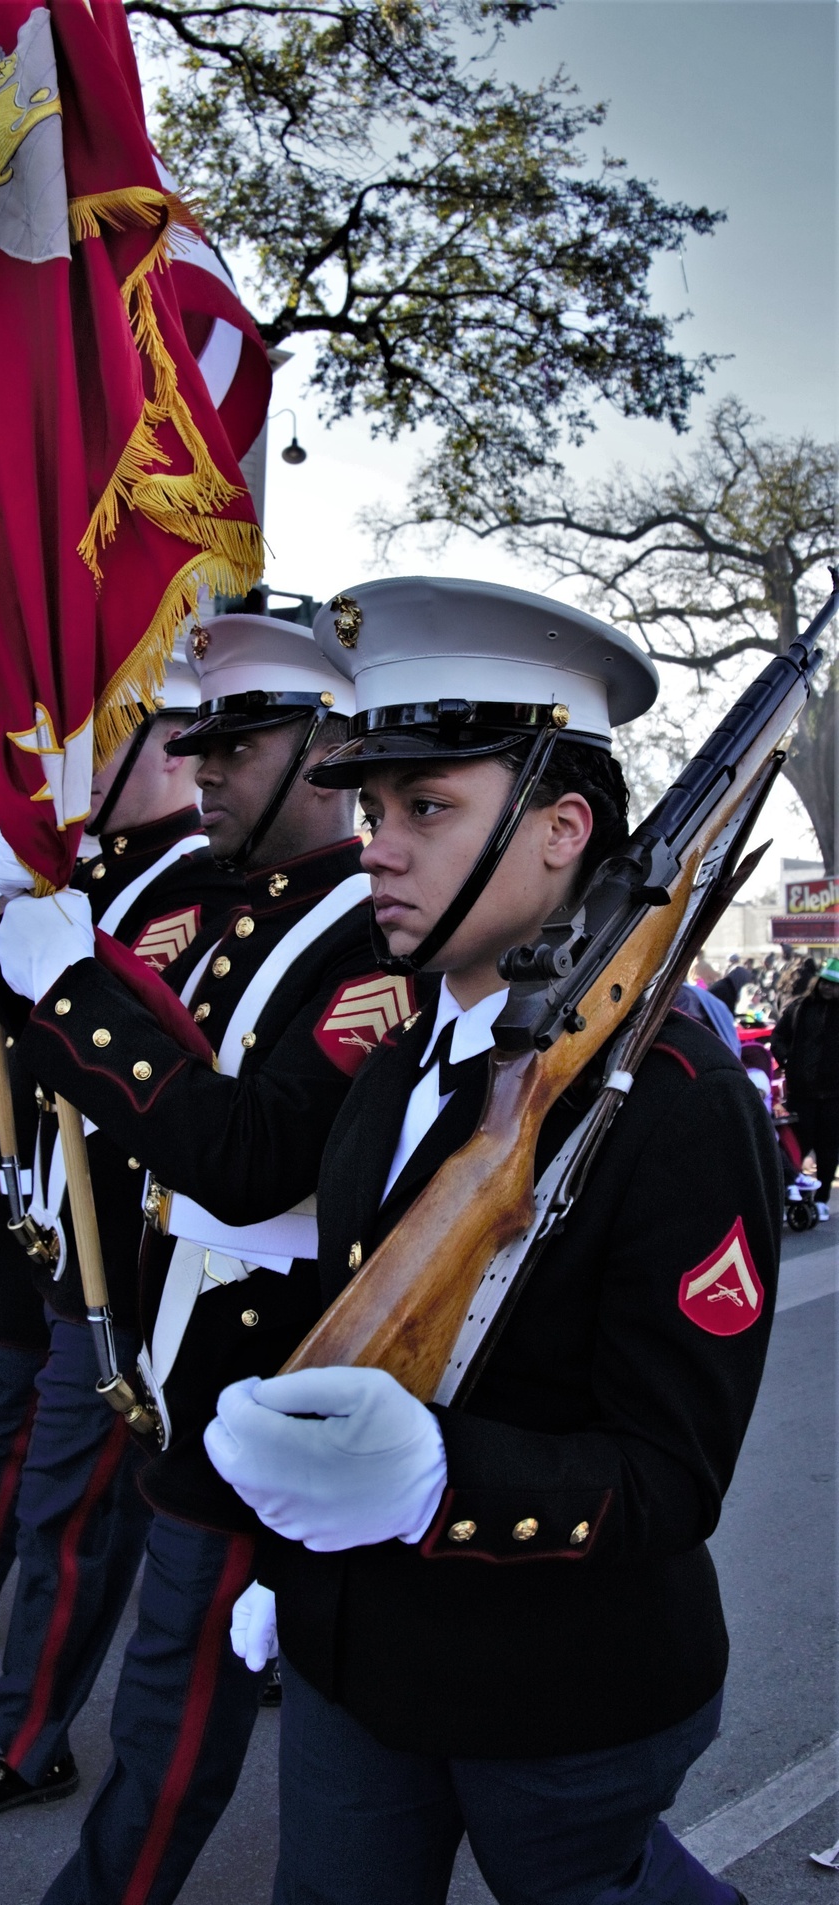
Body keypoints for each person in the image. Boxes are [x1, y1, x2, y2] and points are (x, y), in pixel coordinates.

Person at [204, 576, 780, 1905]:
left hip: (564, 1694)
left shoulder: (676, 1099)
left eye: (427, 808)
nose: (375, 846)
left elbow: (667, 1476)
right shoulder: (403, 1064)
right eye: (368, 807)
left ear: (564, 829)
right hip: (354, 1657)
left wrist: (433, 1486)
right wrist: (297, 1562)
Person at [0, 615, 426, 1903]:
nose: (208, 770)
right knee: (171, 1694)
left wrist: (71, 994)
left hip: (261, 1365)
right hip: (174, 1348)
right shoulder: (246, 914)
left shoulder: (369, 937)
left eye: (242, 744)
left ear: (324, 751)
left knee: (167, 1719)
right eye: (204, 743)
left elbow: (243, 1156)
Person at [0, 666, 238, 1818]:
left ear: (165, 749)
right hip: (51, 1214)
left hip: (130, 1241)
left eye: (95, 735)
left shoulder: (195, 887)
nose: (57, 767)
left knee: (74, 1510)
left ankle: (29, 1738)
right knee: (28, 1470)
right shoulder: (88, 875)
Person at [770, 955, 839, 1223]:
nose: (827, 988)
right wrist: (786, 1057)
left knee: (828, 1147)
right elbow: (778, 1036)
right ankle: (797, 1193)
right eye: (825, 983)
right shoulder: (800, 1007)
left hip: (834, 1094)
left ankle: (821, 1200)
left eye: (833, 985)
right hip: (802, 1091)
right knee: (799, 1143)